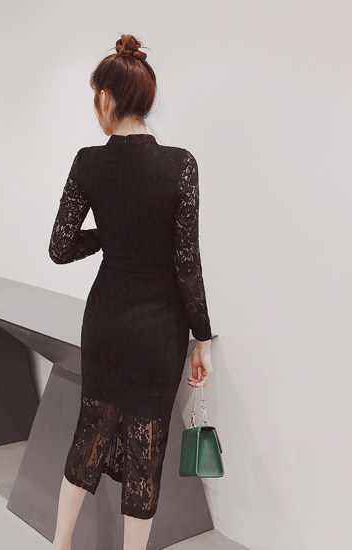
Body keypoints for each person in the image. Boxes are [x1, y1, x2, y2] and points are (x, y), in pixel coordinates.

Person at [48, 34, 214, 550]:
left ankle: (59, 545)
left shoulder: (87, 161)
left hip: (106, 320)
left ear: (106, 98)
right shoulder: (181, 164)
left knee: (90, 431)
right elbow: (186, 263)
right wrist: (203, 338)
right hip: (159, 329)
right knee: (146, 449)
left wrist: (109, 236)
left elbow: (60, 247)